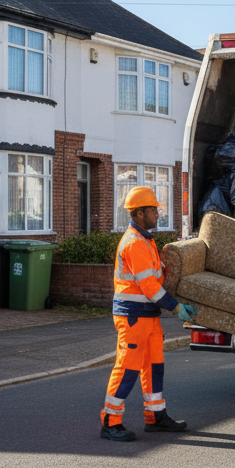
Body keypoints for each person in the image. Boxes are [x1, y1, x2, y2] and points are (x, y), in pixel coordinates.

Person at [100, 186, 195, 442]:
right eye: (153, 210)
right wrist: (177, 307)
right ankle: (110, 421)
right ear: (139, 213)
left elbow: (158, 277)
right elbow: (150, 286)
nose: (157, 214)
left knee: (154, 367)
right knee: (127, 368)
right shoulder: (135, 244)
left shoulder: (147, 241)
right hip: (132, 317)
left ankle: (155, 417)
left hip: (148, 315)